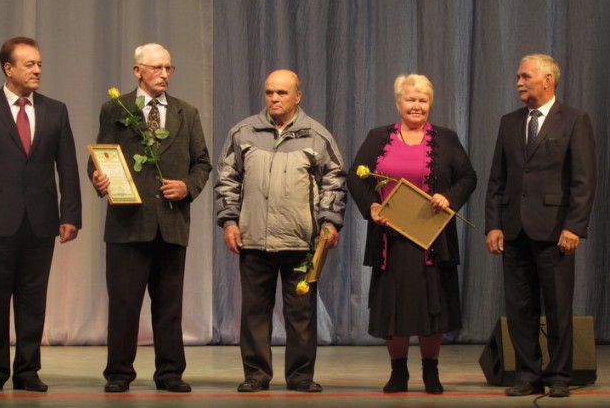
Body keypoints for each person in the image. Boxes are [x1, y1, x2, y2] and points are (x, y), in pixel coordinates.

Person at [0, 36, 82, 393]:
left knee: (33, 299)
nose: (37, 70)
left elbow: (68, 168)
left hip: (40, 220)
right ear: (8, 69)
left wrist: (70, 214)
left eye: (39, 64)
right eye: (29, 64)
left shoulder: (56, 110)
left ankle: (27, 370)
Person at [89, 43, 211, 393]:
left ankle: (170, 373)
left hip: (171, 224)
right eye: (157, 68)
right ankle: (118, 373)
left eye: (169, 68)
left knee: (169, 305)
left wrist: (186, 187)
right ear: (137, 71)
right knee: (124, 303)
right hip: (128, 224)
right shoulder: (115, 109)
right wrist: (98, 178)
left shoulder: (186, 112)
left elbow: (202, 163)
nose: (164, 74)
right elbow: (101, 157)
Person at [215, 69, 347, 393]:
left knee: (301, 315)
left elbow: (334, 181)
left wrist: (329, 222)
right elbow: (227, 180)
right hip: (253, 240)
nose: (274, 98)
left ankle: (300, 376)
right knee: (254, 313)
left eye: (282, 93)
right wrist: (230, 221)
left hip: (301, 242)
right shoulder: (243, 132)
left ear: (297, 96)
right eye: (269, 92)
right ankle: (256, 375)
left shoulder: (317, 136)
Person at [347, 74, 476, 394]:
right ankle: (398, 372)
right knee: (394, 309)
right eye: (410, 99)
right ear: (398, 103)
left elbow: (468, 177)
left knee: (433, 309)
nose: (416, 105)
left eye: (423, 100)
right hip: (390, 241)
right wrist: (372, 206)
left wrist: (449, 198)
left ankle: (431, 372)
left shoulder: (447, 139)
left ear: (430, 103)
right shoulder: (378, 137)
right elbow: (355, 176)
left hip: (433, 241)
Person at [485, 54, 596, 398]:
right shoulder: (509, 122)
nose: (518, 82)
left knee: (558, 307)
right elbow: (497, 179)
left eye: (525, 76)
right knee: (519, 308)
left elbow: (583, 180)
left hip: (555, 231)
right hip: (514, 230)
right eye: (517, 76)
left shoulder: (574, 120)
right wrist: (493, 225)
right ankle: (527, 374)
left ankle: (559, 375)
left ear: (548, 80)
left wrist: (574, 226)